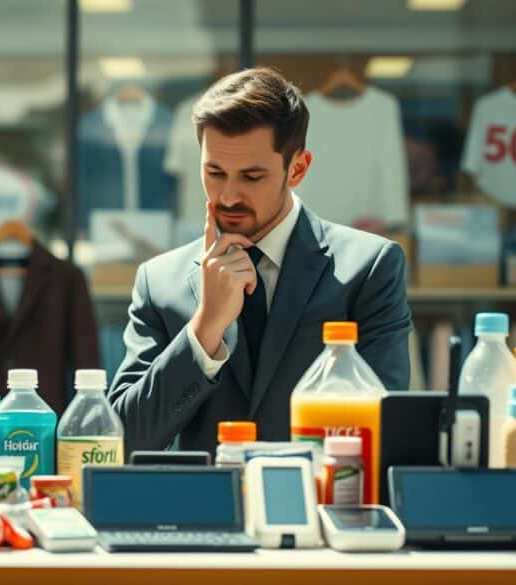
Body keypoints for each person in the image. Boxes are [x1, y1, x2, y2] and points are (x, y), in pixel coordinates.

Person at [108, 67, 411, 455]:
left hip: (316, 508)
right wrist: (205, 328)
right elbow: (121, 440)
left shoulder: (368, 268)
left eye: (251, 177)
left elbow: (386, 430)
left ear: (297, 168)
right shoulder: (159, 281)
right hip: (202, 513)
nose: (229, 196)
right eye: (214, 172)